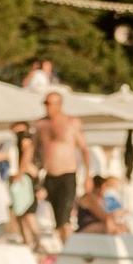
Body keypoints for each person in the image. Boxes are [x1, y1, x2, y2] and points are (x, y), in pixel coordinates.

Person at [29, 78, 90, 244]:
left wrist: (88, 176)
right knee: (57, 220)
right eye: (45, 103)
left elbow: (84, 149)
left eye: (50, 103)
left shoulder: (71, 123)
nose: (47, 107)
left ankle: (71, 249)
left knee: (64, 218)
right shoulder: (41, 125)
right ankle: (64, 249)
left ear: (59, 104)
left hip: (67, 175)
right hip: (49, 176)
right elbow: (32, 150)